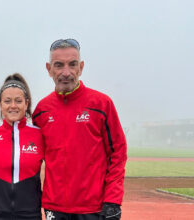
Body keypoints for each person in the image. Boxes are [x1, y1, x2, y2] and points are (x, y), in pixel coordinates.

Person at [32, 39, 127, 220]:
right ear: (49, 69)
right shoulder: (41, 111)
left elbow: (118, 153)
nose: (66, 72)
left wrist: (113, 200)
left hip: (93, 208)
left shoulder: (101, 104)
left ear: (81, 67)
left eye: (72, 64)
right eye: (59, 65)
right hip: (54, 207)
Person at [0, 73, 44, 220]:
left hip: (29, 214)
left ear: (26, 104)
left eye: (18, 101)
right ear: (0, 104)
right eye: (7, 101)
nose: (13, 106)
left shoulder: (39, 135)